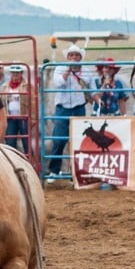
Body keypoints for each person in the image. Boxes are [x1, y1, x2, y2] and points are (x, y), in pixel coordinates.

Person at [48, 44, 92, 178]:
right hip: (63, 107)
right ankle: (54, 171)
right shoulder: (60, 68)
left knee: (79, 139)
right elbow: (58, 83)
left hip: (78, 106)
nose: (74, 57)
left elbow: (88, 83)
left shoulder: (86, 70)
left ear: (80, 58)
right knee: (59, 140)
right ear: (67, 57)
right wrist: (68, 71)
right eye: (71, 55)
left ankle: (78, 171)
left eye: (76, 55)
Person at [0, 64, 30, 152]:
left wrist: (32, 119)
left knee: (26, 141)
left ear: (21, 74)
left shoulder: (27, 86)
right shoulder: (5, 86)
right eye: (13, 73)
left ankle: (32, 162)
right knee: (10, 141)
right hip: (10, 117)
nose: (15, 75)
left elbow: (32, 102)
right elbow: (2, 102)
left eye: (17, 73)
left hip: (23, 117)